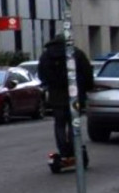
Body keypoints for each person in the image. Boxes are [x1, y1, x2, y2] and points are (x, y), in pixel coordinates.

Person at [38, 34, 94, 162]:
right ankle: (74, 149)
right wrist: (87, 88)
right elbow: (87, 73)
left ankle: (63, 150)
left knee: (59, 124)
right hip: (75, 95)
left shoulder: (46, 56)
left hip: (56, 96)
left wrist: (51, 84)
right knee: (74, 122)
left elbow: (42, 75)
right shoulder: (76, 54)